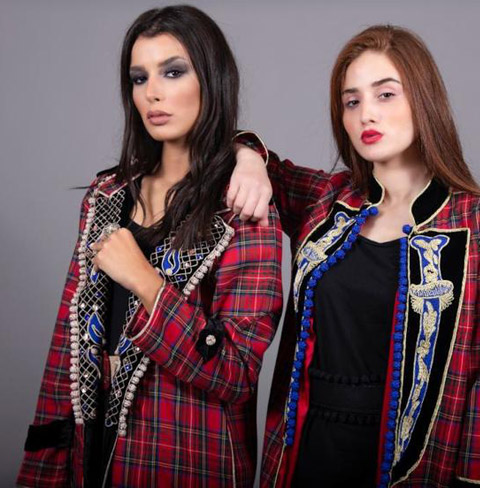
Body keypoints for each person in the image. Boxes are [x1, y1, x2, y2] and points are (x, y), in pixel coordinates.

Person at [231, 25, 480, 487]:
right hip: (305, 450)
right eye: (352, 102)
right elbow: (241, 150)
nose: (366, 113)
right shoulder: (328, 200)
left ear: (423, 99)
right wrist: (248, 158)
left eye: (385, 94)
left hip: (412, 467)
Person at [17, 6, 283, 487]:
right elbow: (65, 355)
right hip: (90, 456)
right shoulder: (106, 196)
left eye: (173, 72)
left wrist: (146, 282)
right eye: (139, 78)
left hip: (185, 462)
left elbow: (238, 373)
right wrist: (43, 473)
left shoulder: (242, 209)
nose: (152, 93)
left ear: (211, 79)